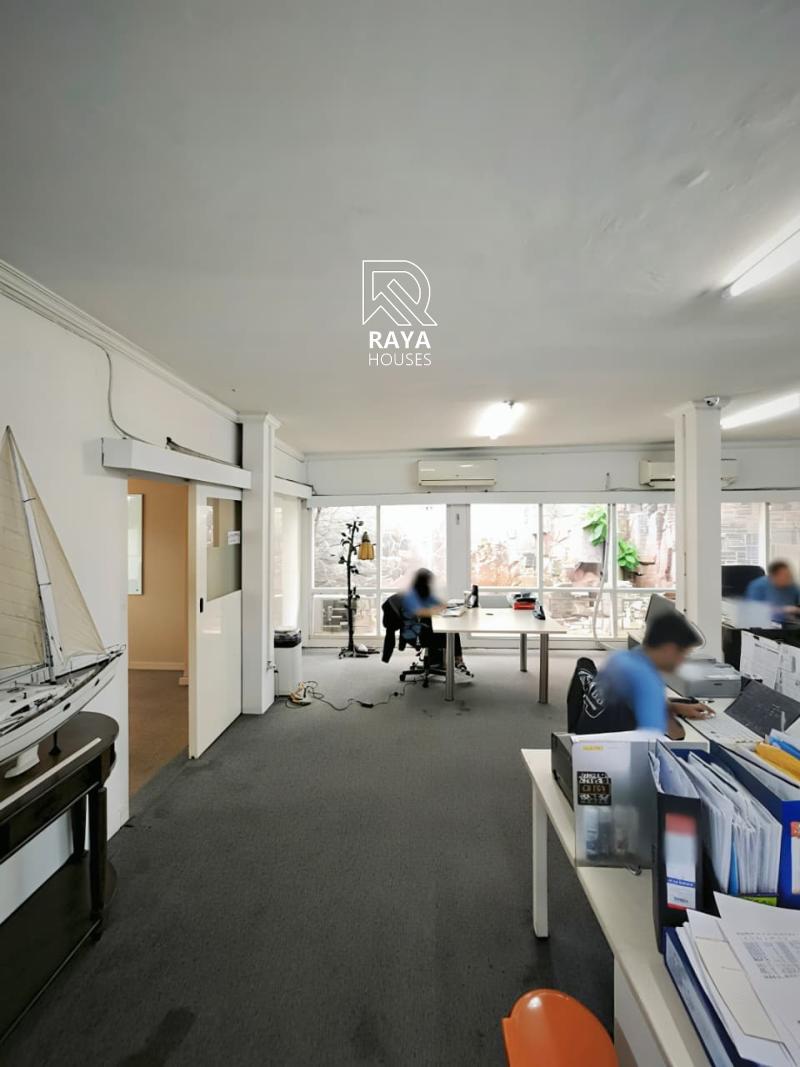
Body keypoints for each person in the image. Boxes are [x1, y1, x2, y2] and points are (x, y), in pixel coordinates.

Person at [585, 612, 714, 738]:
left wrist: (675, 707)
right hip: (617, 748)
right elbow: (656, 740)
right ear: (670, 649)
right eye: (683, 654)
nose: (682, 661)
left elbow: (632, 701)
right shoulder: (648, 681)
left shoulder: (620, 658)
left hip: (590, 742)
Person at [401, 568, 467, 670]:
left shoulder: (425, 592)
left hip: (427, 627)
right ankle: (457, 660)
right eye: (428, 581)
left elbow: (438, 603)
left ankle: (456, 660)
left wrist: (447, 606)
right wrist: (435, 611)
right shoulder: (412, 594)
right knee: (452, 633)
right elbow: (418, 612)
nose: (430, 583)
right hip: (419, 632)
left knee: (452, 630)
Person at [746, 560, 800, 626]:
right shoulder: (758, 586)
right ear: (773, 576)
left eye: (789, 575)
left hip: (788, 623)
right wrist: (784, 610)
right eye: (785, 575)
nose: (789, 577)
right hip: (763, 624)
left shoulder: (792, 586)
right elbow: (754, 611)